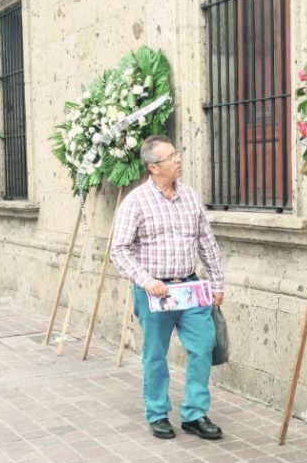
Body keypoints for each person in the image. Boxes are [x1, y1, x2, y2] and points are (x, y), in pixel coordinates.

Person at [111, 135, 225, 440]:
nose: (178, 159)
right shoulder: (135, 202)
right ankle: (158, 413)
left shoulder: (190, 196)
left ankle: (195, 414)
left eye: (177, 153)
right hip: (154, 293)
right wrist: (146, 280)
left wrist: (217, 283)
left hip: (190, 288)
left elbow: (207, 243)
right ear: (153, 167)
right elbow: (119, 250)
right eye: (171, 157)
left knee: (203, 346)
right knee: (155, 354)